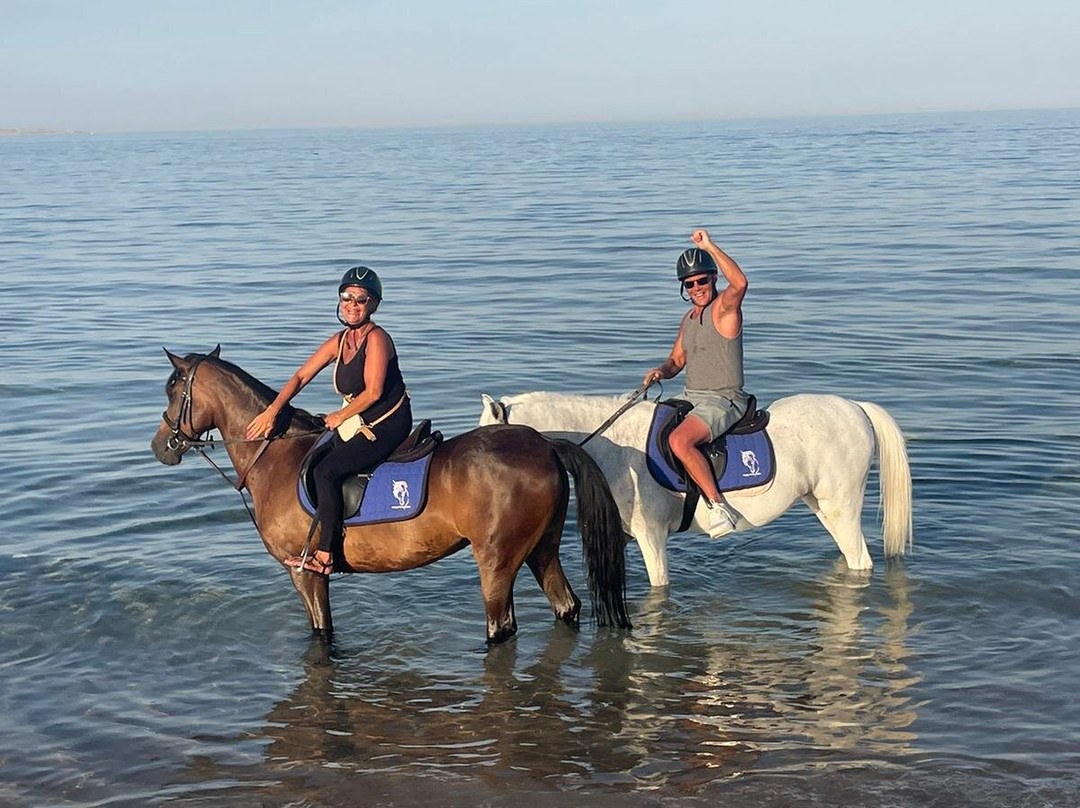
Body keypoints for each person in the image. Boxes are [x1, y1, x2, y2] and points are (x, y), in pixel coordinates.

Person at [246, 265, 412, 575]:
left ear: (373, 304)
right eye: (346, 297)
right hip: (358, 419)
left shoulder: (378, 339)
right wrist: (273, 411)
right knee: (310, 458)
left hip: (385, 422)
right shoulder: (340, 341)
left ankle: (326, 554)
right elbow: (301, 375)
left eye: (360, 300)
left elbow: (374, 392)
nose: (352, 305)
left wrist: (339, 415)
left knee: (326, 471)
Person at [642, 229, 749, 538]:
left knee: (679, 441)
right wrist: (659, 371)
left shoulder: (725, 308)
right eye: (690, 283)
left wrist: (709, 246)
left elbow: (740, 283)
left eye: (703, 280)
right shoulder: (688, 319)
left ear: (713, 279)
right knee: (647, 422)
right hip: (691, 396)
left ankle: (719, 508)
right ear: (684, 288)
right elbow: (676, 361)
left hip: (724, 399)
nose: (697, 287)